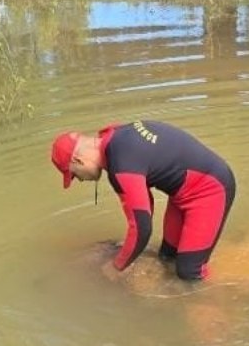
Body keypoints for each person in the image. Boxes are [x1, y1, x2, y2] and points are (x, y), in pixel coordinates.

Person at [51, 120, 236, 281]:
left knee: (189, 272)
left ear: (78, 160)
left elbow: (142, 229)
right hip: (184, 193)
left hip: (211, 189)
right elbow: (145, 207)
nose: (82, 180)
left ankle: (226, 302)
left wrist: (116, 267)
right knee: (167, 257)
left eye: (75, 175)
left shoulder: (120, 165)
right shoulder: (117, 137)